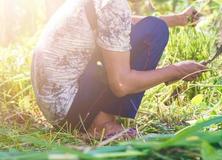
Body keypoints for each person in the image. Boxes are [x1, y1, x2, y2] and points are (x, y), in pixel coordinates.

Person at [31, 0, 206, 140]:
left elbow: (120, 22)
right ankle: (101, 124)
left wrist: (177, 19)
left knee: (150, 27)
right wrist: (176, 70)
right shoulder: (114, 5)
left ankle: (97, 116)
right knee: (155, 31)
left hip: (54, 100)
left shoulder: (110, 4)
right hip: (71, 110)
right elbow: (121, 84)